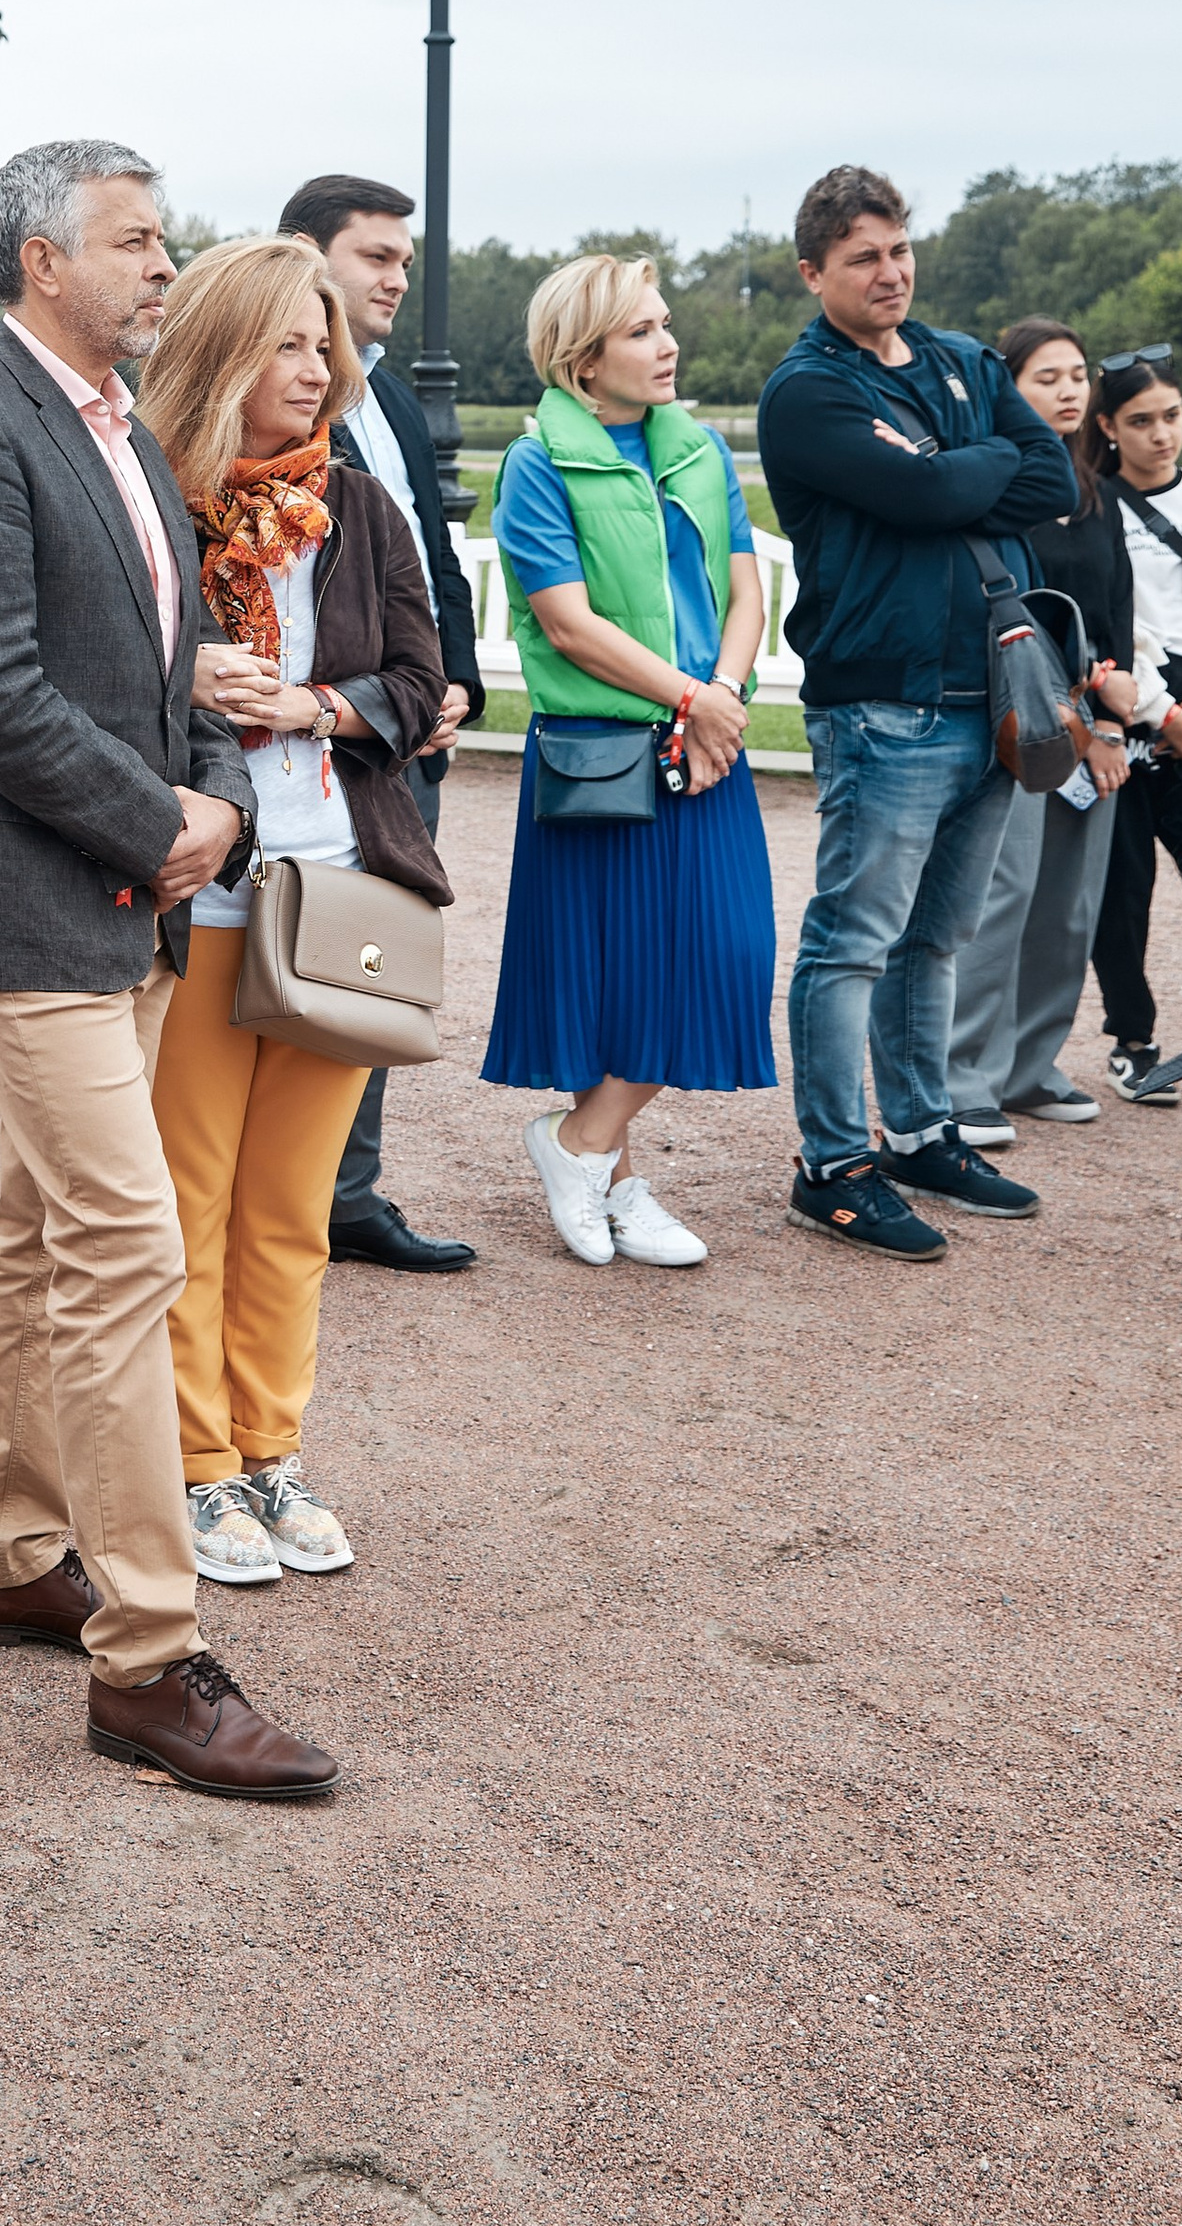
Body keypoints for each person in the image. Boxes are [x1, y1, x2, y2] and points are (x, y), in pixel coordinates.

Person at [0, 137, 336, 1806]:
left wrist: (208, 787)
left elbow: (166, 659)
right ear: (39, 259)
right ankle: (149, 1655)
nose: (166, 266)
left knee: (40, 1227)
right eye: (135, 243)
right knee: (128, 1237)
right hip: (28, 898)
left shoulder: (118, 426)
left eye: (163, 241)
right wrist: (166, 817)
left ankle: (2, 1551)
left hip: (126, 882)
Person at [137, 238, 452, 1582]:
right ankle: (195, 1465)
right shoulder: (154, 503)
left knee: (295, 1206)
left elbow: (432, 684)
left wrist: (314, 703)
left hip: (342, 896)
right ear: (221, 348)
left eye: (324, 344)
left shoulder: (364, 508)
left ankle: (272, 1451)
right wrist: (188, 681)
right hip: (204, 894)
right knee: (188, 1199)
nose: (315, 367)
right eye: (287, 341)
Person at [758, 164, 1076, 1256]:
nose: (888, 273)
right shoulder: (808, 391)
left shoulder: (959, 358)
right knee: (852, 940)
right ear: (813, 273)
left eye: (898, 250)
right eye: (861, 258)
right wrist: (961, 471)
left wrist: (953, 468)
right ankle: (832, 1162)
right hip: (882, 703)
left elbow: (1056, 481)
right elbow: (940, 493)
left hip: (988, 696)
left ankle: (922, 1127)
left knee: (935, 937)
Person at [482, 254, 777, 1267]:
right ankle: (601, 1164)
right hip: (608, 750)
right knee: (625, 976)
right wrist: (692, 699)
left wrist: (720, 702)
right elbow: (566, 625)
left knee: (723, 959)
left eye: (664, 325)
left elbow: (744, 593)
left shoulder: (696, 449)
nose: (668, 344)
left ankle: (579, 1144)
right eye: (642, 330)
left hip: (707, 739)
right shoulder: (535, 464)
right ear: (582, 357)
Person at [277, 171, 484, 1274]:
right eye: (376, 257)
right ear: (308, 258)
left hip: (410, 727)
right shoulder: (257, 397)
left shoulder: (389, 397)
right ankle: (282, 1198)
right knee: (289, 961)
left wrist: (454, 686)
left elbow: (430, 554)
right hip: (313, 737)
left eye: (404, 260)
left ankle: (345, 1195)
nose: (399, 277)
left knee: (372, 966)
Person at [944, 324, 1145, 1140]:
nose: (1068, 393)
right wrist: (1077, 719)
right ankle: (965, 1077)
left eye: (1076, 378)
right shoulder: (1003, 487)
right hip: (1021, 719)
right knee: (1006, 897)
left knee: (1069, 907)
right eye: (1045, 378)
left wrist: (1109, 720)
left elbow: (1116, 611)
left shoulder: (1093, 490)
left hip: (1094, 721)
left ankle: (1030, 1067)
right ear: (1007, 388)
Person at [1088, 350, 1182, 1101]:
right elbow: (1106, 625)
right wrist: (1161, 713)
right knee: (1121, 888)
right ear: (1108, 426)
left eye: (1172, 416)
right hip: (1131, 713)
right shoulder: (1091, 507)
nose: (1161, 435)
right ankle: (1132, 1037)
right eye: (1140, 421)